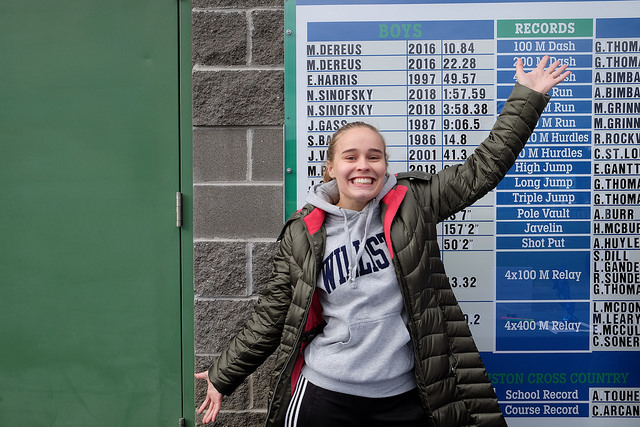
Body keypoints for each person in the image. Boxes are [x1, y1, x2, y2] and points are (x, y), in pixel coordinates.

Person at [195, 55, 570, 426]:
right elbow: (273, 313)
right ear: (331, 168)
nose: (363, 166)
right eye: (351, 156)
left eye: (374, 157)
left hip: (402, 397)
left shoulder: (413, 203)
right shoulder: (302, 233)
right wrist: (223, 375)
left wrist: (527, 96)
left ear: (385, 166)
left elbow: (481, 170)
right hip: (325, 395)